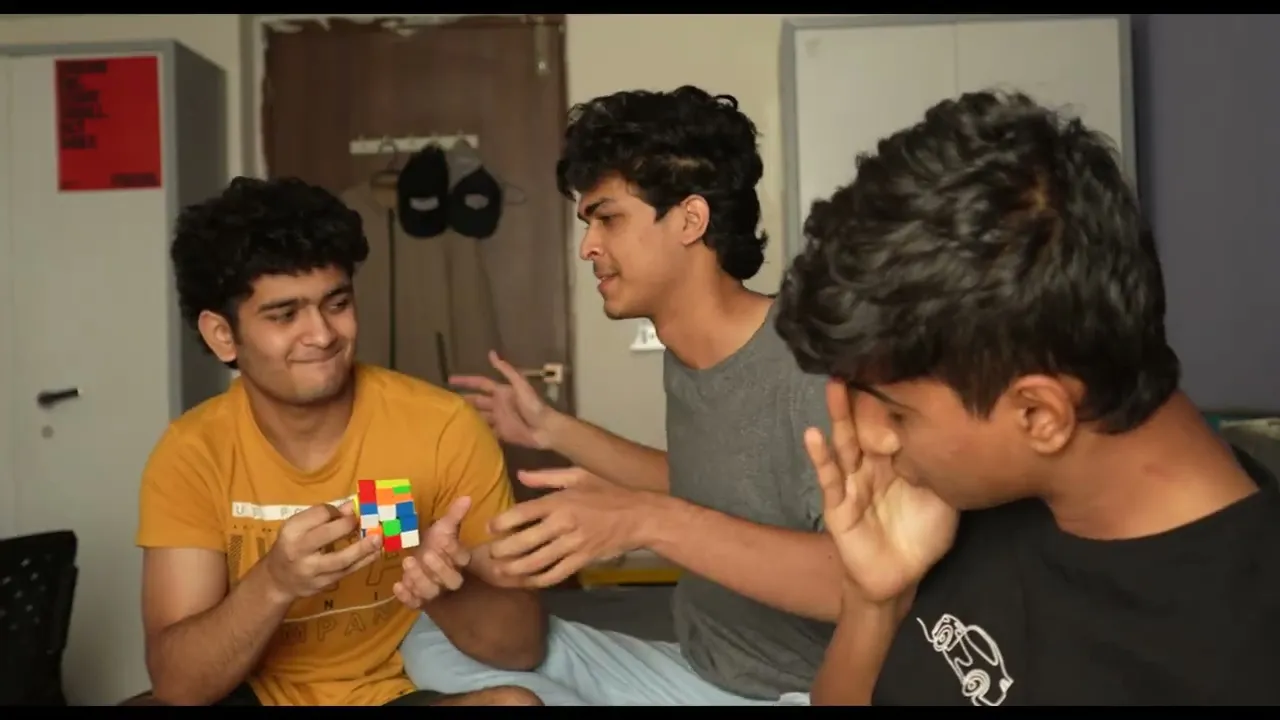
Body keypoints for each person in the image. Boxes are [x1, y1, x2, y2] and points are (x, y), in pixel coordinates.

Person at [776, 90, 1280, 706]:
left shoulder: (1237, 660)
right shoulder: (956, 500)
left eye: (897, 412)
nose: (869, 437)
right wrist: (875, 604)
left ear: (1038, 415)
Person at [399, 86, 835, 706]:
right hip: (693, 669)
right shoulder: (691, 352)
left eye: (608, 219)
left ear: (690, 220)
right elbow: (716, 483)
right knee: (430, 635)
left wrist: (641, 519)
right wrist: (552, 430)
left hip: (794, 693)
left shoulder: (812, 367)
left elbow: (859, 583)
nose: (588, 247)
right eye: (588, 223)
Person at [127, 177, 547, 707]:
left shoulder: (441, 428)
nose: (323, 335)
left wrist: (442, 589)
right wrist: (274, 582)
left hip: (392, 694)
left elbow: (522, 647)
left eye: (337, 303)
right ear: (223, 336)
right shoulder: (192, 453)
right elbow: (178, 685)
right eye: (285, 315)